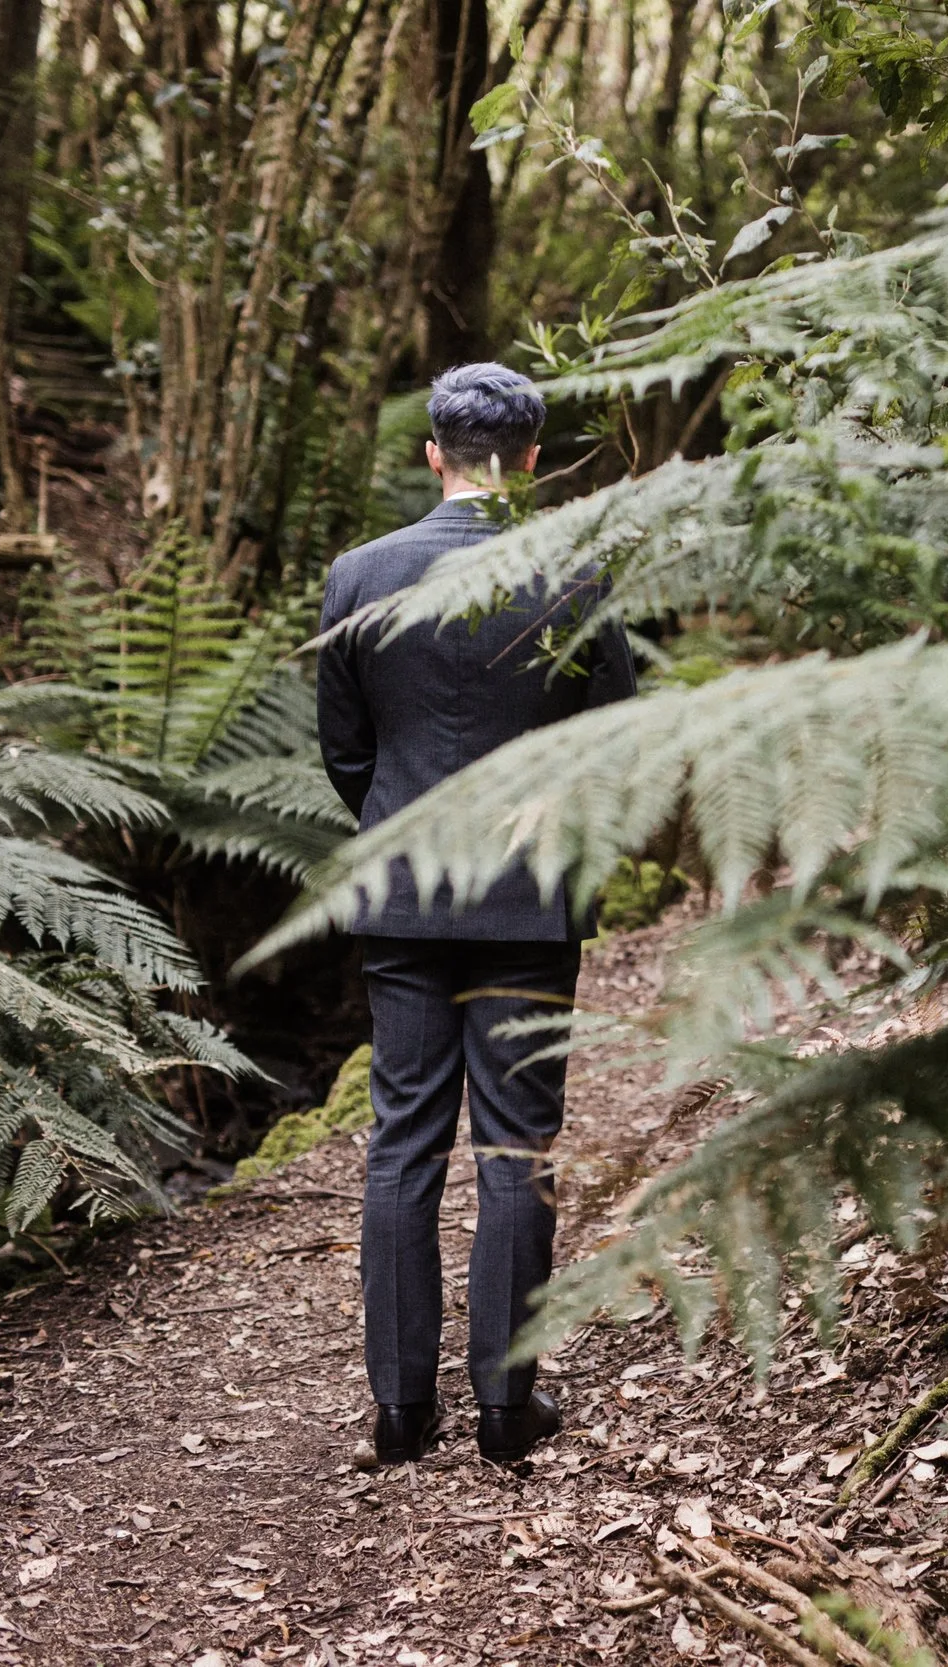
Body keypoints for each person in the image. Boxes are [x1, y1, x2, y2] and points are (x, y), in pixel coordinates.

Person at [317, 363, 636, 1468]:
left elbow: (346, 749)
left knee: (400, 1143)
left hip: (401, 893)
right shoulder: (578, 574)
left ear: (434, 455)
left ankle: (399, 1414)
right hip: (525, 901)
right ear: (534, 460)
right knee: (514, 1144)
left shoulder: (359, 573)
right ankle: (507, 1410)